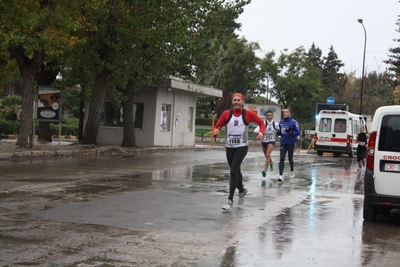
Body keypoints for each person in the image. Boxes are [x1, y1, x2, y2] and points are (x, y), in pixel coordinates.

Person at [213, 93, 265, 210]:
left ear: (242, 102)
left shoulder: (248, 114)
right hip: (230, 147)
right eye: (234, 100)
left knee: (233, 171)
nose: (236, 102)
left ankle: (229, 200)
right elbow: (218, 126)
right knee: (236, 171)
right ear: (232, 101)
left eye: (238, 100)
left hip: (242, 146)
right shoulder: (226, 114)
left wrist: (261, 132)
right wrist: (216, 131)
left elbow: (261, 123)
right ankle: (242, 190)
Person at [254, 111, 278, 184]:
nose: (269, 116)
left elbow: (280, 130)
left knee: (267, 154)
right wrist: (261, 131)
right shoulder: (264, 123)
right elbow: (255, 130)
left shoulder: (275, 124)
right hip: (264, 141)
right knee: (266, 156)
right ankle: (271, 162)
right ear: (266, 116)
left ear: (273, 116)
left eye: (270, 115)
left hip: (272, 141)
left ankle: (264, 171)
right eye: (268, 115)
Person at [276, 109, 300, 182]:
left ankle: (292, 170)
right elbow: (280, 131)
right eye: (284, 112)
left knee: (290, 158)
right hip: (283, 142)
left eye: (286, 112)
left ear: (290, 113)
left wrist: (291, 132)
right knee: (282, 158)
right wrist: (278, 132)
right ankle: (280, 175)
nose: (285, 113)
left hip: (290, 143)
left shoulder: (293, 122)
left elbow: (297, 132)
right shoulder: (281, 122)